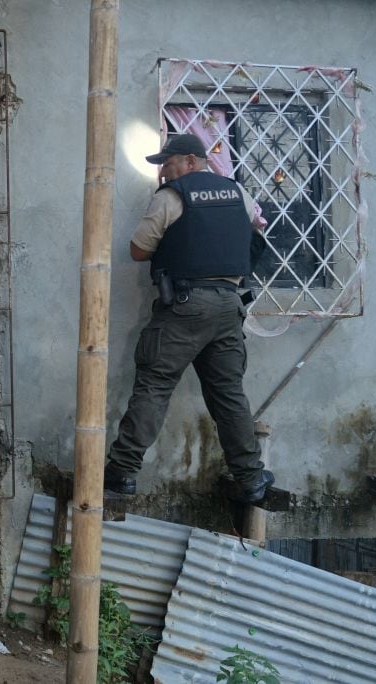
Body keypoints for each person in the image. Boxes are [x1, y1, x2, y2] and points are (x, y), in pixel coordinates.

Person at [103, 133, 274, 503]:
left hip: (185, 305)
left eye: (168, 163)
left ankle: (121, 472)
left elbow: (137, 250)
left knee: (155, 385)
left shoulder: (172, 197)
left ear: (192, 162)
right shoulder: (237, 193)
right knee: (229, 395)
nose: (163, 172)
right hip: (229, 306)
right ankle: (251, 478)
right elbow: (254, 236)